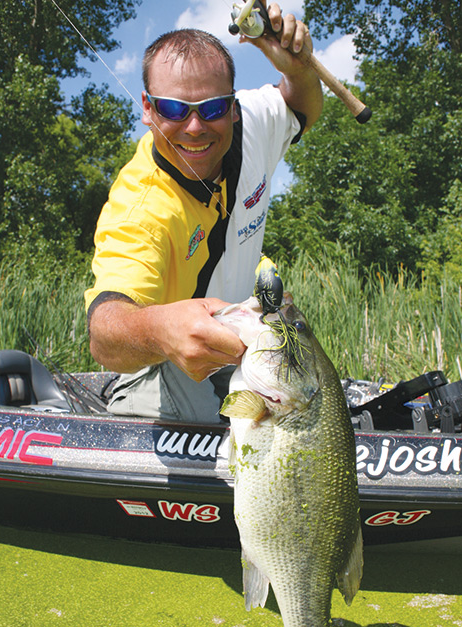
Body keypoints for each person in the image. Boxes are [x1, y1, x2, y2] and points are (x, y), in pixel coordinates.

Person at [85, 1, 323, 423]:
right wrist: (160, 331)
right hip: (164, 363)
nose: (194, 127)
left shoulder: (251, 123)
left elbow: (301, 109)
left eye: (211, 108)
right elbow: (105, 334)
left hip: (237, 348)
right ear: (147, 108)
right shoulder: (140, 209)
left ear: (232, 107)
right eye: (173, 109)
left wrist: (300, 69)